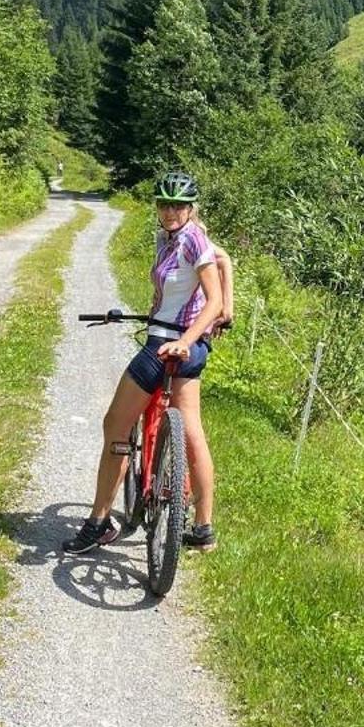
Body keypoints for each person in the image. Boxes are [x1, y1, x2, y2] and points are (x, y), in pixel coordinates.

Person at [62, 170, 233, 555]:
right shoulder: (178, 238)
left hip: (167, 346)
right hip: (185, 347)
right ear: (158, 206)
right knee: (191, 434)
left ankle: (99, 523)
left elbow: (214, 300)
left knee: (115, 427)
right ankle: (203, 528)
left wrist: (186, 339)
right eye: (164, 203)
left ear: (191, 208)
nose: (170, 211)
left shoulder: (190, 240)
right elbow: (224, 260)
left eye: (178, 205)